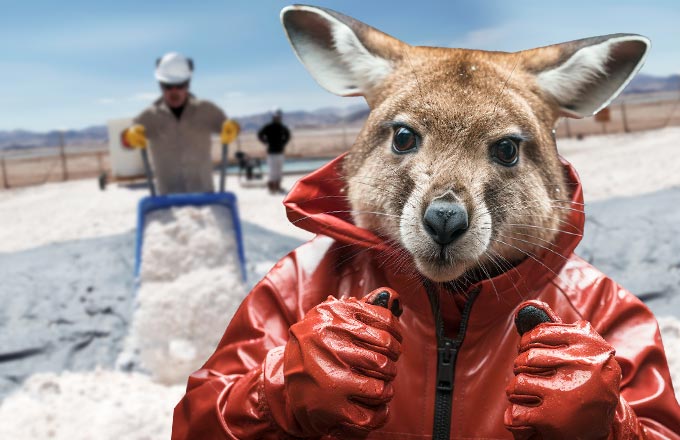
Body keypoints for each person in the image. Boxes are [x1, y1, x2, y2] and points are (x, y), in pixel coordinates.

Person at [121, 52, 235, 195]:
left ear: (188, 84)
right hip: (168, 200)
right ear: (160, 85)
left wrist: (232, 128)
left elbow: (229, 128)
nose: (174, 91)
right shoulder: (149, 116)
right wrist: (129, 137)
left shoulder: (207, 110)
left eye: (180, 85)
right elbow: (125, 143)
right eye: (167, 86)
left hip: (205, 197)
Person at [257, 109, 290, 193]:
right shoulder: (268, 127)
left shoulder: (282, 127)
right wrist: (265, 142)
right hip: (271, 152)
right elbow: (260, 134)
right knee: (272, 170)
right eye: (276, 116)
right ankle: (272, 187)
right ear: (273, 117)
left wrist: (283, 143)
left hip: (280, 152)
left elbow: (288, 135)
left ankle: (278, 187)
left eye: (279, 116)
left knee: (279, 170)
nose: (278, 118)